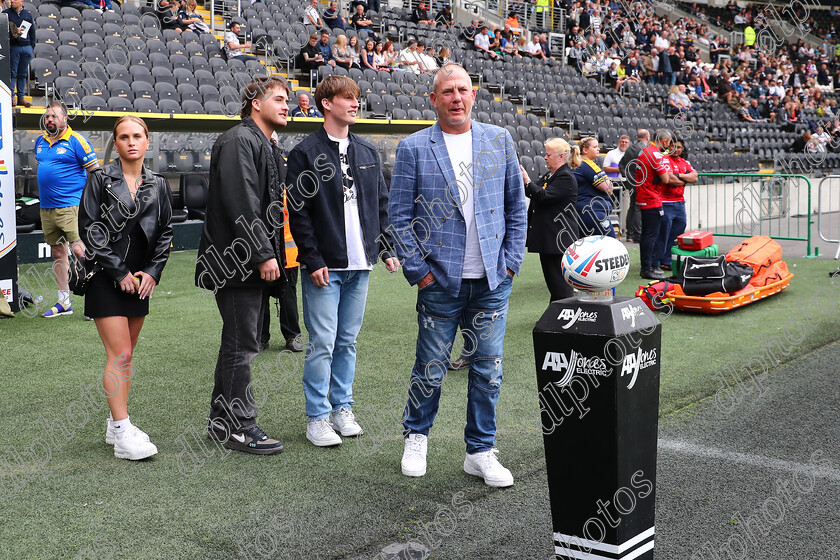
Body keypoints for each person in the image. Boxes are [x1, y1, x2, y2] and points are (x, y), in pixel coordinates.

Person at [389, 63, 526, 487]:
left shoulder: (498, 140)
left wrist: (509, 263)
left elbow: (516, 207)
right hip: (439, 282)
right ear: (434, 99)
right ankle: (417, 436)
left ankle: (480, 451)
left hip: (491, 280)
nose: (456, 97)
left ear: (473, 95)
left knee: (488, 368)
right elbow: (398, 216)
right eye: (447, 91)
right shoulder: (414, 147)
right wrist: (420, 273)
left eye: (463, 90)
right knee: (430, 365)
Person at [286, 75, 399, 447]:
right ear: (326, 104)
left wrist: (385, 247)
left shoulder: (367, 151)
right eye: (346, 98)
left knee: (347, 341)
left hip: (360, 264)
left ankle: (342, 408)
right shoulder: (305, 152)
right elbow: (299, 213)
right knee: (323, 343)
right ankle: (317, 417)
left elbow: (381, 205)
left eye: (357, 98)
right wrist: (312, 257)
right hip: (324, 266)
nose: (355, 104)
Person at [196, 76, 290, 455]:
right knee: (243, 345)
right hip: (237, 262)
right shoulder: (239, 139)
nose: (288, 105)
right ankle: (240, 426)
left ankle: (223, 421)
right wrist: (263, 253)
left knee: (237, 341)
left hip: (241, 261)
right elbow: (242, 202)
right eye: (279, 99)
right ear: (256, 103)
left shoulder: (259, 141)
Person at [78, 115, 173, 461]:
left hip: (140, 282)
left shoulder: (159, 184)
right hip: (106, 277)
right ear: (114, 144)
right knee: (120, 354)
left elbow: (164, 232)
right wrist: (119, 273)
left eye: (137, 136)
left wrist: (152, 272)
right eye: (123, 137)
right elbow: (91, 230)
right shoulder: (99, 180)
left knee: (127, 355)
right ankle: (121, 432)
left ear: (147, 141)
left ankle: (113, 423)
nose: (131, 142)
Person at [35, 102, 99, 318]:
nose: (49, 120)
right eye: (47, 117)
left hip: (72, 206)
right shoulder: (40, 142)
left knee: (81, 252)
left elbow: (96, 174)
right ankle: (64, 302)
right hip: (47, 208)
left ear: (65, 119)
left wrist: (91, 204)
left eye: (54, 116)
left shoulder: (77, 141)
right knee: (58, 252)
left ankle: (96, 302)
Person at [521, 138, 579, 302]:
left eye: (548, 154)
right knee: (554, 283)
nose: (545, 158)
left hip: (558, 238)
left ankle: (564, 315)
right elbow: (535, 193)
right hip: (549, 237)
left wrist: (527, 180)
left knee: (560, 284)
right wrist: (525, 183)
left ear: (561, 156)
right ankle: (557, 316)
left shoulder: (565, 177)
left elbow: (543, 196)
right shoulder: (551, 175)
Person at [635, 129, 678, 280]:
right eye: (669, 142)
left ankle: (650, 266)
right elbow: (666, 179)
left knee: (648, 235)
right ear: (665, 141)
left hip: (645, 195)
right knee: (651, 235)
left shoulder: (645, 150)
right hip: (651, 198)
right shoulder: (654, 154)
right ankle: (647, 268)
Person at [655, 138, 696, 271]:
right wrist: (685, 178)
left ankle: (668, 260)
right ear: (668, 147)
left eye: (679, 147)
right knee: (663, 234)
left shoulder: (684, 162)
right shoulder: (664, 159)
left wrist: (679, 176)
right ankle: (658, 261)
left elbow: (695, 177)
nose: (676, 149)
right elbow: (669, 180)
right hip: (665, 203)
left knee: (677, 234)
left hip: (679, 203)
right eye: (673, 146)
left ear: (682, 149)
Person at [572, 137, 615, 238]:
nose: (598, 149)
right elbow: (608, 189)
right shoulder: (587, 164)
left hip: (584, 211)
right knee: (610, 244)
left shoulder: (579, 164)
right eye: (595, 147)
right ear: (585, 150)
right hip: (593, 212)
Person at [618, 129, 649, 243]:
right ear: (647, 137)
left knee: (632, 207)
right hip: (640, 182)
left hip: (631, 183)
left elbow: (621, 164)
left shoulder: (630, 148)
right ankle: (637, 235)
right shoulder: (645, 149)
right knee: (637, 208)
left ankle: (630, 234)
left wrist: (627, 175)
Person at [6, 0, 34, 107]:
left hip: (26, 47)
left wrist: (31, 47)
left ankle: (21, 98)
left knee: (22, 74)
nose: (12, 1)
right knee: (12, 73)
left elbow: (32, 32)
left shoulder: (27, 14)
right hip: (14, 47)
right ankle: (11, 97)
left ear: (21, 1)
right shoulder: (6, 14)